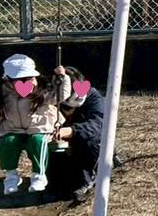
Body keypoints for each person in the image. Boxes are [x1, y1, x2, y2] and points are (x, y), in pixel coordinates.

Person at [0, 54, 70, 195]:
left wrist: (62, 79)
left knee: (38, 141)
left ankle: (39, 175)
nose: (28, 81)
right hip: (13, 128)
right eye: (21, 79)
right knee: (8, 142)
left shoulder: (42, 89)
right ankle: (11, 177)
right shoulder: (2, 92)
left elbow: (60, 96)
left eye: (30, 77)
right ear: (8, 79)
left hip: (39, 127)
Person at [48, 66, 120, 201]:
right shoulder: (50, 99)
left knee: (90, 140)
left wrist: (72, 131)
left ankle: (93, 175)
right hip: (61, 145)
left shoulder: (94, 98)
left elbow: (100, 124)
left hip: (86, 143)